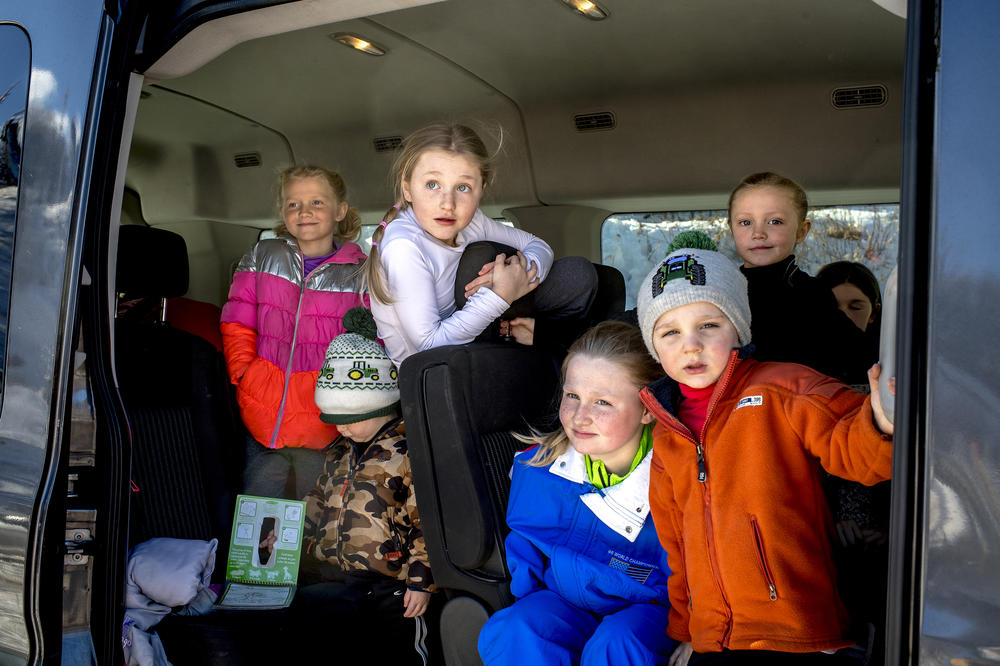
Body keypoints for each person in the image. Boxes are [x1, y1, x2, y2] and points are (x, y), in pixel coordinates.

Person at [635, 245, 894, 665]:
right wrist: (686, 630)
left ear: (738, 329)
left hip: (795, 631)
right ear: (654, 348)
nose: (691, 346)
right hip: (716, 638)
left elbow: (856, 453)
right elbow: (677, 547)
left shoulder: (782, 389)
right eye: (670, 333)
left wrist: (880, 422)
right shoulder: (667, 431)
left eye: (708, 325)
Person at [478, 321, 676, 666]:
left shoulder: (676, 480)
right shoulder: (538, 469)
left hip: (647, 611)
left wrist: (696, 634)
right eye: (573, 396)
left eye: (602, 402)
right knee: (518, 627)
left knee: (618, 643)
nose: (580, 417)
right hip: (566, 600)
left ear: (648, 408)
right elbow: (525, 549)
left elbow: (696, 572)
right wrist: (528, 601)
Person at [365, 122, 597, 367]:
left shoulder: (472, 221)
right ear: (407, 190)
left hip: (476, 337)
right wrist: (500, 294)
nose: (448, 203)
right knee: (479, 257)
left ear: (481, 190)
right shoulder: (404, 246)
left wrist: (514, 271)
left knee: (581, 274)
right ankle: (544, 347)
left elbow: (537, 245)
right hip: (435, 369)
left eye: (463, 187)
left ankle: (545, 344)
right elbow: (429, 346)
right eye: (432, 184)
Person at [295, 306, 436, 665]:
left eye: (349, 420)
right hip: (338, 580)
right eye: (334, 420)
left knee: (397, 654)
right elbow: (318, 499)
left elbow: (427, 524)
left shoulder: (406, 454)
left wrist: (421, 581)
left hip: (392, 588)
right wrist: (289, 533)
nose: (340, 428)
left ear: (379, 406)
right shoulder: (338, 452)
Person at [220, 165, 366, 499]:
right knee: (257, 514)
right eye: (293, 204)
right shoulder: (262, 256)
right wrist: (245, 374)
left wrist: (352, 404)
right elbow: (238, 322)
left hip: (326, 420)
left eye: (317, 202)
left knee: (315, 516)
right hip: (261, 414)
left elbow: (370, 344)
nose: (304, 212)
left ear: (340, 210)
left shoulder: (361, 274)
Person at [727, 172, 871, 384]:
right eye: (745, 222)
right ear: (731, 228)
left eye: (775, 221)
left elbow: (859, 358)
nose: (758, 232)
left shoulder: (813, 294)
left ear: (801, 231)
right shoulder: (722, 293)